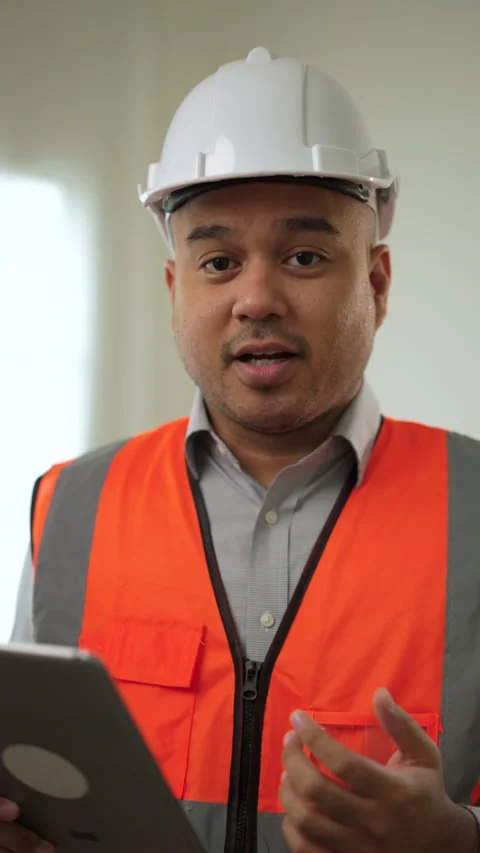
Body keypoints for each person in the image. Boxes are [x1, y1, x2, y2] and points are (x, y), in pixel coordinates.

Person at [4, 45, 480, 853]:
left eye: (303, 256)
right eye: (218, 261)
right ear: (174, 290)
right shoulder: (70, 505)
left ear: (376, 283)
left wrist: (461, 840)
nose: (256, 298)